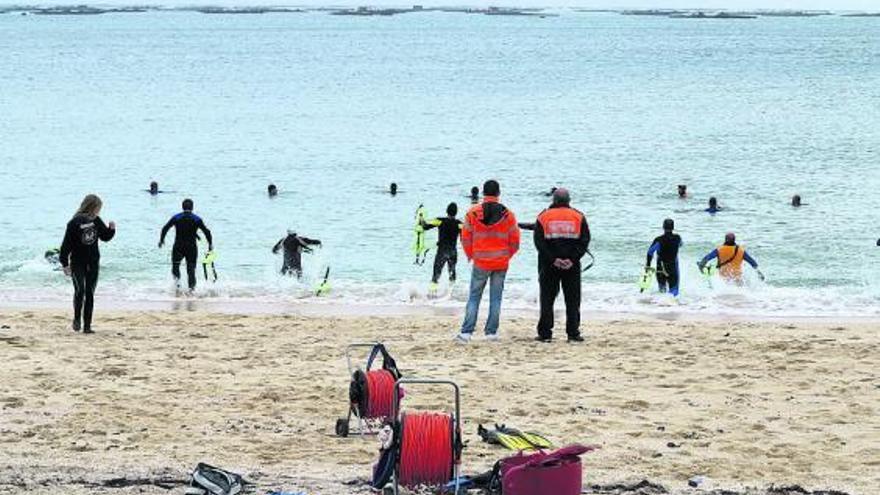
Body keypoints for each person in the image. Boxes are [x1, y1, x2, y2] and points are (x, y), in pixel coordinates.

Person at [456, 180, 520, 343]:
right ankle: (491, 333)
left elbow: (465, 237)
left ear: (484, 193)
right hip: (500, 262)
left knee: (474, 297)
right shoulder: (508, 215)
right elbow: (515, 241)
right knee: (496, 298)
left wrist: (471, 255)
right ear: (498, 193)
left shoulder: (472, 213)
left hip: (481, 261)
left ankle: (466, 333)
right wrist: (507, 255)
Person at [533, 188, 590, 343]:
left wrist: (553, 260)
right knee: (572, 300)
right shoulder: (578, 216)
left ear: (553, 200)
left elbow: (539, 243)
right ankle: (573, 333)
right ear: (569, 200)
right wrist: (572, 259)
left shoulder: (543, 216)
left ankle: (545, 333)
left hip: (548, 265)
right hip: (572, 266)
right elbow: (584, 241)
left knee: (547, 299)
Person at [59, 194, 116, 333]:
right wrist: (65, 264)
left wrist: (111, 229)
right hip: (78, 262)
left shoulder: (96, 220)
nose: (99, 211)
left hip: (92, 262)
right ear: (92, 207)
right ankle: (78, 319)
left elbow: (104, 237)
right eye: (98, 208)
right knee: (82, 291)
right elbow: (66, 245)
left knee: (87, 292)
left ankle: (87, 326)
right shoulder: (74, 223)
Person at [159, 199, 213, 291]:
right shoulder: (197, 219)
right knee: (191, 269)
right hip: (191, 247)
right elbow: (207, 232)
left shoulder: (176, 217)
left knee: (175, 267)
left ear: (182, 207)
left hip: (178, 246)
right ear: (192, 207)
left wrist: (162, 240)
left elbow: (165, 228)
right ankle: (191, 290)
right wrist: (210, 244)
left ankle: (177, 287)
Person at [421, 202, 462, 289]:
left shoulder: (440, 221)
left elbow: (425, 226)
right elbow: (466, 236)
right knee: (452, 273)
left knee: (436, 274)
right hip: (453, 252)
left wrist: (421, 218)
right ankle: (452, 293)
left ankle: (432, 293)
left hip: (442, 251)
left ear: (446, 211)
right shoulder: (459, 224)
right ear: (456, 212)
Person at [698, 232, 764, 283]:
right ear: (734, 240)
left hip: (723, 279)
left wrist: (701, 267)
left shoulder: (719, 250)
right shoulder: (741, 250)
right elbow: (753, 263)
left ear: (725, 239)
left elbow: (706, 259)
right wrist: (759, 273)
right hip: (737, 278)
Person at [646, 218, 683, 297]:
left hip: (661, 268)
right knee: (674, 293)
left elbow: (650, 252)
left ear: (663, 227)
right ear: (673, 227)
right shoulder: (677, 238)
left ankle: (661, 306)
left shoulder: (658, 240)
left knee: (662, 292)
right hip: (673, 268)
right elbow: (681, 244)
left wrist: (648, 266)